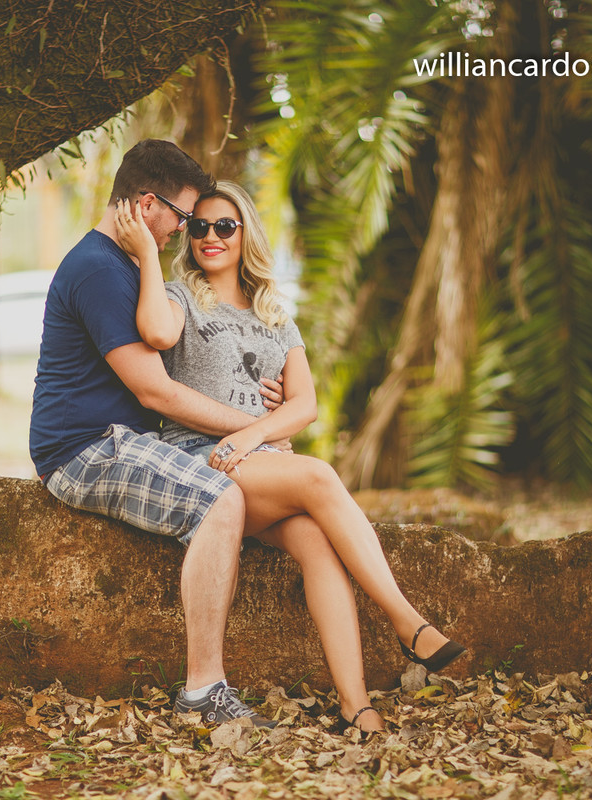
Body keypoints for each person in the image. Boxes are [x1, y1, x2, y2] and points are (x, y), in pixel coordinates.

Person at [114, 180, 466, 734]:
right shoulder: (180, 297)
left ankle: (357, 705)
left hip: (257, 465)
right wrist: (148, 255)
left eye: (224, 226)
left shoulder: (276, 315)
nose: (210, 236)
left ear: (245, 233)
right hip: (204, 464)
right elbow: (155, 331)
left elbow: (305, 405)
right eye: (200, 226)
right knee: (320, 475)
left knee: (318, 544)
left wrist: (255, 434)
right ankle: (406, 621)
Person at [31, 140, 300, 729]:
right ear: (147, 205)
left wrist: (265, 400)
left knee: (237, 489)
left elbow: (191, 356)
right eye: (182, 219)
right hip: (84, 448)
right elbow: (157, 392)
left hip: (121, 439)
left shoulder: (127, 264)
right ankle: (203, 690)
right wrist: (258, 429)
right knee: (220, 499)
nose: (185, 233)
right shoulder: (100, 269)